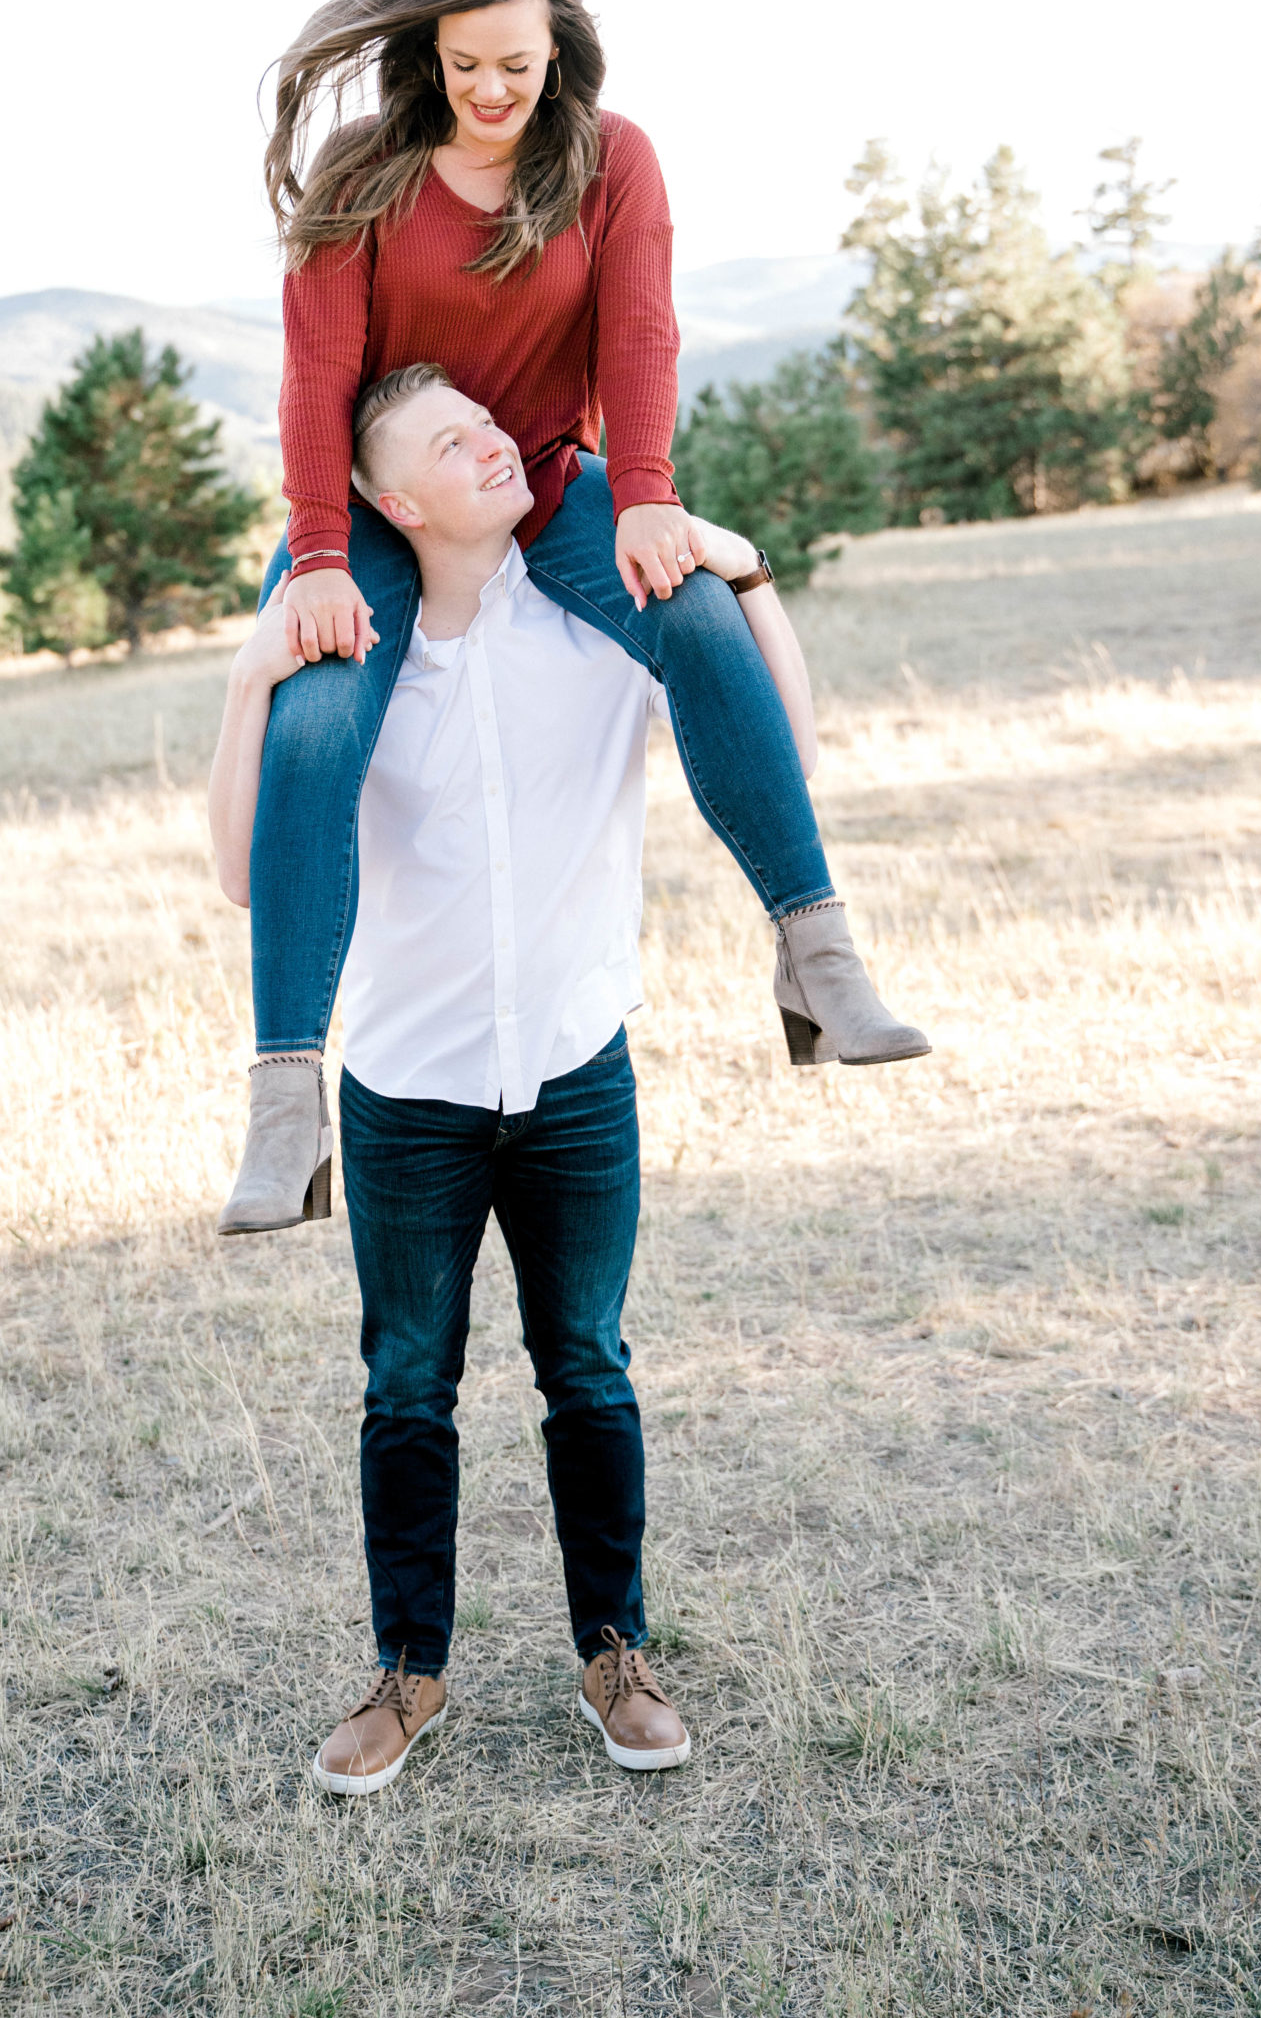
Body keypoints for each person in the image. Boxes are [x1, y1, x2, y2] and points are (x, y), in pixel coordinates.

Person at [224, 0, 925, 1234]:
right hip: (381, 500)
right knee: (315, 722)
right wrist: (320, 553)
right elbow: (317, 377)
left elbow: (644, 327)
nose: (491, 93)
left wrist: (648, 494)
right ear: (430, 54)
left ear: (563, 59)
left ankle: (818, 957)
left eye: (519, 68)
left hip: (545, 469)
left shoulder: (612, 164)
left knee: (702, 621)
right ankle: (283, 1103)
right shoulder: (363, 171)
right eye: (466, 64)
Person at [207, 365, 822, 1792]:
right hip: (406, 1092)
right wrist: (252, 672)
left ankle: (616, 1652)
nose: (496, 447)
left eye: (492, 427)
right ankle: (407, 1675)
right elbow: (246, 873)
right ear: (386, 498)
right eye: (450, 442)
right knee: (407, 1385)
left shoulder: (593, 627)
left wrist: (751, 575)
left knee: (588, 1367)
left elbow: (778, 742)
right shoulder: (349, 667)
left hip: (575, 1072)